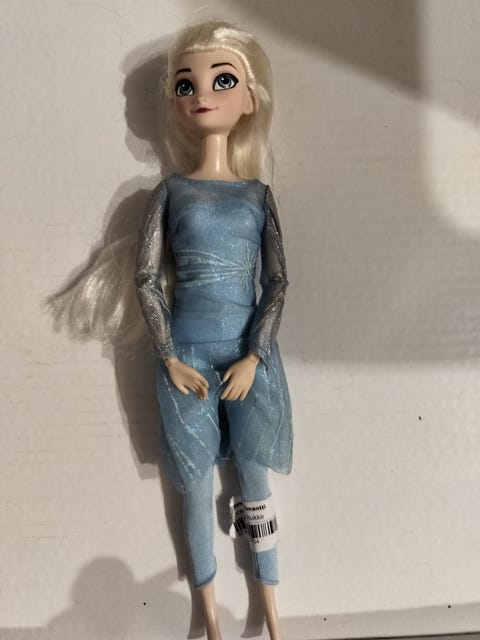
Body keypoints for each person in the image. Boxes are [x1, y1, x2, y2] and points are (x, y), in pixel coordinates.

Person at [135, 20, 292, 640]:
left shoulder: (257, 195)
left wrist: (256, 353)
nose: (201, 94)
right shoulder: (170, 191)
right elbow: (147, 279)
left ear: (249, 98)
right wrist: (169, 354)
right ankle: (209, 622)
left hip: (250, 355)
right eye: (186, 84)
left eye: (222, 81)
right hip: (188, 357)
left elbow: (277, 281)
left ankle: (272, 612)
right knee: (195, 484)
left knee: (255, 477)